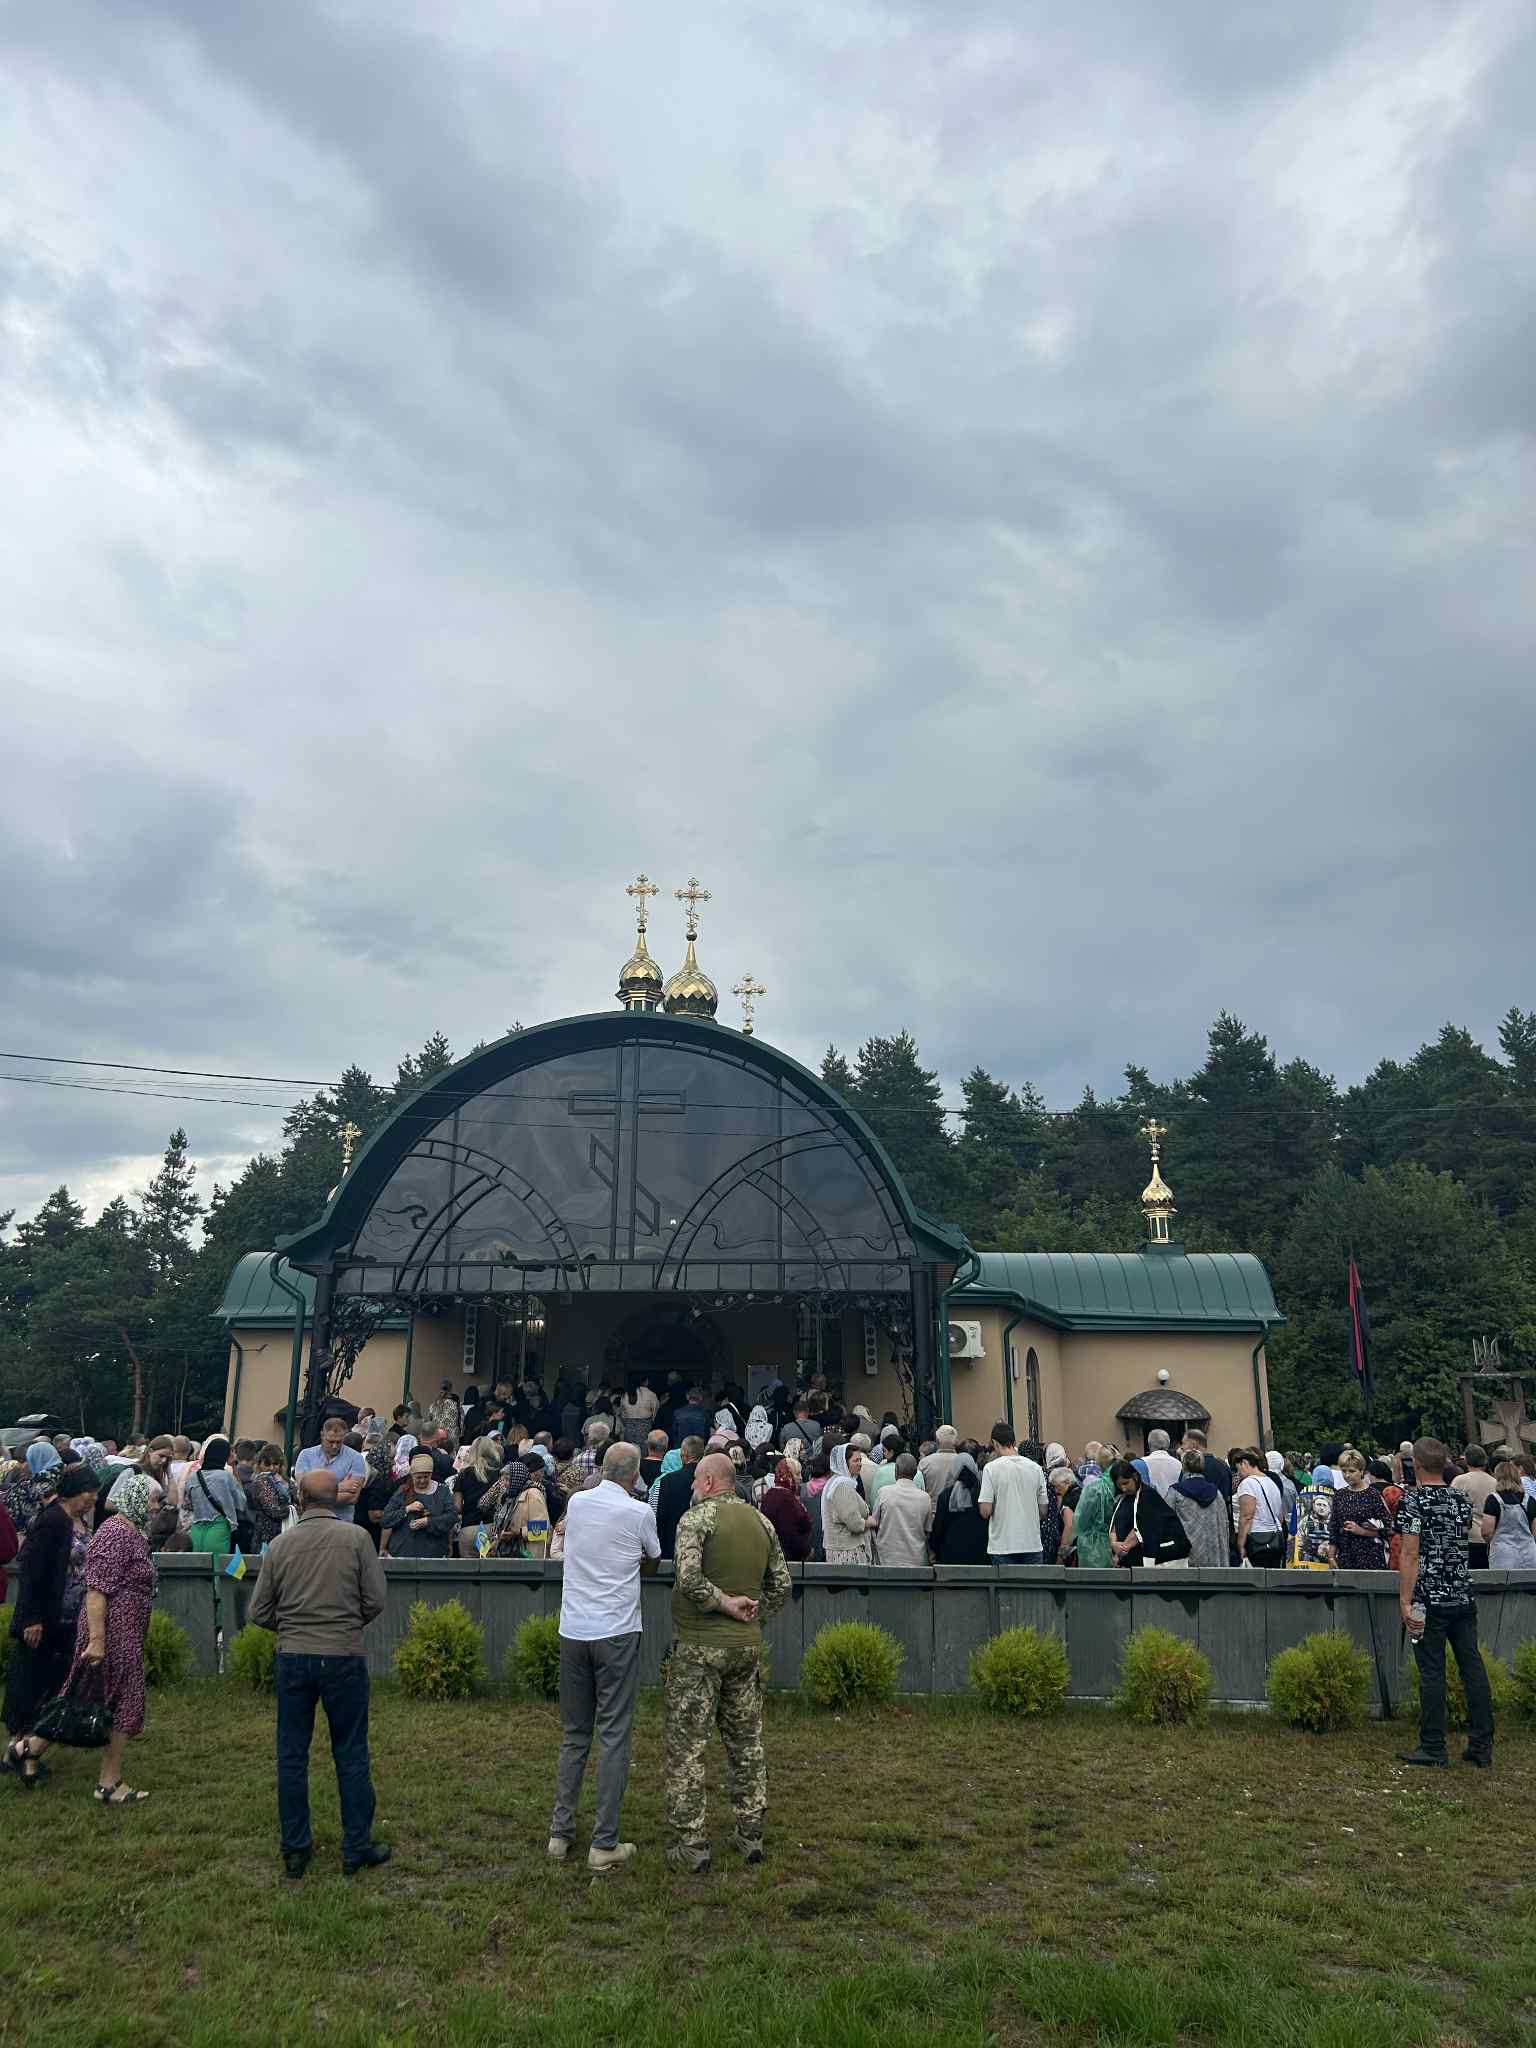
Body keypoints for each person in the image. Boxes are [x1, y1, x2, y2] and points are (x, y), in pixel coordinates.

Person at [248, 1467, 391, 1876]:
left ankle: (295, 1850)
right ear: (335, 1500)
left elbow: (258, 1610)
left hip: (293, 1655)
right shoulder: (357, 1539)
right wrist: (346, 1625)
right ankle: (356, 1847)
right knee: (351, 1751)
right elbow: (375, 1600)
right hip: (343, 1655)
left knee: (292, 1754)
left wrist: (291, 1627)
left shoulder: (281, 1545)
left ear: (300, 1500)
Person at [665, 1452, 791, 1872]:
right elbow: (782, 1585)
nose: (692, 1487)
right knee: (746, 1741)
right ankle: (750, 1832)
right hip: (745, 1649)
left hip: (699, 1647)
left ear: (706, 1481)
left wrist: (724, 1604)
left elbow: (688, 1578)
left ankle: (692, 1841)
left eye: (694, 1481)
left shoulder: (696, 1520)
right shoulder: (761, 1522)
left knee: (688, 1746)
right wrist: (753, 1613)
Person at [15, 1471, 160, 1804]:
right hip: (111, 1630)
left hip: (124, 1629)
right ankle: (108, 1784)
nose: (156, 1506)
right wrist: (97, 1639)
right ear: (135, 1498)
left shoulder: (133, 1532)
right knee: (126, 1701)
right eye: (153, 1499)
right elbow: (96, 1591)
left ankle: (27, 1748)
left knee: (81, 1695)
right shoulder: (115, 1532)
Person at [548, 1441, 659, 1872]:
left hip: (574, 1628)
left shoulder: (577, 1503)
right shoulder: (639, 1512)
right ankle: (604, 1842)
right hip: (616, 1629)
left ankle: (560, 1834)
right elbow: (653, 1558)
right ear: (634, 1475)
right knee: (614, 1734)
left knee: (574, 1734)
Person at [1397, 1436, 1494, 1769]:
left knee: (1432, 1671)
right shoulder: (1460, 1499)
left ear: (1416, 1465)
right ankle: (1481, 1744)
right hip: (1462, 1593)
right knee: (1473, 1668)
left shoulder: (1413, 1500)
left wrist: (1405, 1601)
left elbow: (1410, 1553)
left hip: (1428, 1597)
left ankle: (1433, 1745)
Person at [2, 1465, 97, 1780]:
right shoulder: (52, 1520)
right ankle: (19, 1751)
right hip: (44, 1619)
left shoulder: (78, 1521)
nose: (93, 1498)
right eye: (89, 1492)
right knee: (32, 1683)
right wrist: (32, 1618)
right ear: (73, 1490)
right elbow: (32, 1572)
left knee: (55, 1684)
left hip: (69, 1618)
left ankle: (25, 1750)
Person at [978, 1423, 1048, 1565]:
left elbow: (985, 1511)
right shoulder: (1035, 1468)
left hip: (1002, 1545)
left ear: (995, 1443)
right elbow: (1043, 1511)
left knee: (1006, 1580)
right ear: (1014, 1442)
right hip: (1031, 1543)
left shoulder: (991, 1469)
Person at [1109, 1460, 1192, 1569]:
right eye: (1119, 1485)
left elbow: (1142, 1528)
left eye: (1126, 1483)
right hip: (1133, 1556)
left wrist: (1122, 1550)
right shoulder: (1122, 1499)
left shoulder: (1148, 1496)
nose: (1123, 1488)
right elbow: (1115, 1525)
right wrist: (1114, 1544)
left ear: (1135, 1477)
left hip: (1166, 1557)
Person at [380, 1449, 457, 1557]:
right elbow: (385, 1520)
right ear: (412, 1475)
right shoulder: (403, 1490)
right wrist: (406, 1509)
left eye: (426, 1477)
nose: (422, 1480)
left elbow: (451, 1517)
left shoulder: (442, 1491)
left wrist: (428, 1522)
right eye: (418, 1477)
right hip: (403, 1553)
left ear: (431, 1474)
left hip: (433, 1553)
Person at [294, 1415, 369, 1525]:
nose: (334, 1446)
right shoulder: (306, 1455)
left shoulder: (356, 1458)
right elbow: (303, 1491)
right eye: (331, 1441)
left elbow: (352, 1497)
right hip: (310, 1522)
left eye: (339, 1442)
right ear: (322, 1435)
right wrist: (340, 1486)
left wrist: (315, 1495)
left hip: (341, 1522)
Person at [1327, 1450, 1390, 1569]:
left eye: (1352, 1471)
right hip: (1345, 1555)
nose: (1347, 1475)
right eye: (1344, 1471)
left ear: (1361, 1471)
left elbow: (1389, 1529)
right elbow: (1334, 1528)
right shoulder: (1339, 1495)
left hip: (1371, 1556)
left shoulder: (1373, 1494)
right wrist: (1331, 1556)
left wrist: (1362, 1531)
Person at [185, 1436, 247, 1553]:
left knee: (195, 1563)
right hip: (219, 1528)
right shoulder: (226, 1477)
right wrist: (234, 1467)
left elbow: (188, 1504)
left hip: (196, 1529)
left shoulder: (192, 1477)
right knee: (216, 1563)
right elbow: (241, 1503)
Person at [871, 1453, 933, 1566]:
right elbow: (927, 1529)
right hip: (916, 1559)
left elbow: (875, 1522)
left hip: (887, 1558)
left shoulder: (884, 1493)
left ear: (896, 1470)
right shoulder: (925, 1498)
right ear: (915, 1473)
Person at [1170, 1448, 1229, 1566]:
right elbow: (1224, 1523)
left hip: (1187, 1554)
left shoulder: (1175, 1492)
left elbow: (1168, 1521)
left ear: (1184, 1466)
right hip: (1213, 1553)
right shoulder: (1216, 1493)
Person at [653, 1437, 706, 1561]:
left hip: (672, 1545)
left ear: (684, 1454)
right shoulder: (709, 1479)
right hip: (703, 1547)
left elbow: (661, 1517)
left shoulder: (668, 1480)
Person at [1232, 1449, 1287, 1568]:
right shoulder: (1271, 1482)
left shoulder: (1247, 1483)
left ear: (1244, 1463)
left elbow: (1247, 1517)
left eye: (1238, 1469)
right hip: (1276, 1538)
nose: (1238, 1474)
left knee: (1256, 1577)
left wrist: (1240, 1544)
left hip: (1257, 1539)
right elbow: (1280, 1516)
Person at [821, 1444, 875, 1564]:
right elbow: (854, 1523)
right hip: (846, 1551)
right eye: (855, 1460)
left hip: (841, 1548)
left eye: (860, 1460)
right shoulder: (842, 1486)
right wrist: (868, 1522)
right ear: (844, 1463)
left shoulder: (837, 1481)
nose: (860, 1464)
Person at [1481, 1459, 1536, 1569]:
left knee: (1502, 1580)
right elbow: (1535, 1531)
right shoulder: (1530, 1500)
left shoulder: (1493, 1499)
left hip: (1503, 1554)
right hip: (1529, 1553)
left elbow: (1486, 1532)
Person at [454, 1436, 504, 1556]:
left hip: (469, 1529)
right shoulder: (500, 1473)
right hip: (491, 1529)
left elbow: (457, 1507)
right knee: (490, 1566)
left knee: (468, 1568)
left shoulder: (463, 1474)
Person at [1451, 1447, 1497, 1571]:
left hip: (1469, 1537)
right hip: (1490, 1537)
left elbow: (1451, 1507)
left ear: (1466, 1460)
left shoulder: (1460, 1480)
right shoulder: (1494, 1482)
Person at [758, 1458, 813, 1561]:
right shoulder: (786, 1499)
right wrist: (805, 1552)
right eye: (797, 1474)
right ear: (787, 1475)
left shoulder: (771, 1494)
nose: (801, 1478)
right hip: (790, 1559)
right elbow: (789, 1533)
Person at [247, 1445, 295, 1549]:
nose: (272, 1468)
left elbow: (299, 1500)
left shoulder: (286, 1480)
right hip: (267, 1536)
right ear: (260, 1464)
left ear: (281, 1464)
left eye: (275, 1464)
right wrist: (292, 1509)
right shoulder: (261, 1480)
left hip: (286, 1534)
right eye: (267, 1464)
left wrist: (285, 1484)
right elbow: (274, 1511)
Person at [917, 1424, 964, 1502]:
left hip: (932, 1508)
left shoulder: (924, 1463)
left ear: (937, 1440)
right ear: (956, 1442)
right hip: (958, 1508)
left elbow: (917, 1489)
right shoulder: (964, 1463)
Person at [1042, 1467, 1075, 1564]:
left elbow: (1069, 1526)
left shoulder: (1068, 1500)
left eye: (1058, 1486)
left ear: (1067, 1482)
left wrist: (1061, 1556)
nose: (1056, 1491)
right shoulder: (1079, 1492)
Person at [1140, 1429, 1182, 1500]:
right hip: (1174, 1503)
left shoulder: (1142, 1463)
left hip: (1151, 1503)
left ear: (1149, 1444)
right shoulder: (1179, 1464)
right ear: (1168, 1444)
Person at [618, 1377, 659, 1447]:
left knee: (629, 1450)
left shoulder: (625, 1395)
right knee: (643, 1449)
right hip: (645, 1428)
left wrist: (629, 1423)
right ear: (646, 1382)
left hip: (629, 1428)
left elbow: (622, 1414)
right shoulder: (651, 1394)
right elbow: (655, 1413)